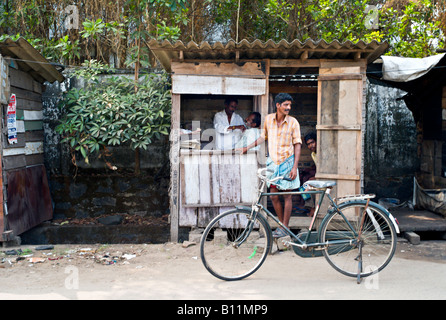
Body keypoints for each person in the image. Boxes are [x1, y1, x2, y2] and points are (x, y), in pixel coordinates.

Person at [237, 93, 302, 237]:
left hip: (288, 162)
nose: (288, 108)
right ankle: (282, 225)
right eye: (285, 105)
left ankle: (285, 227)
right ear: (278, 105)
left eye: (289, 105)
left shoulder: (293, 122)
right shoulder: (268, 120)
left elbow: (297, 144)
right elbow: (262, 137)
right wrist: (246, 148)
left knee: (287, 197)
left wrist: (294, 167)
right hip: (273, 162)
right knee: (273, 196)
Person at [297, 131, 317, 217]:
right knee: (304, 179)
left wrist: (314, 177)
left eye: (312, 142)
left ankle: (311, 208)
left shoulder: (322, 153)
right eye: (308, 144)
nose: (310, 146)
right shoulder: (313, 154)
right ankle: (306, 206)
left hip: (324, 177)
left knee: (307, 183)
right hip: (317, 176)